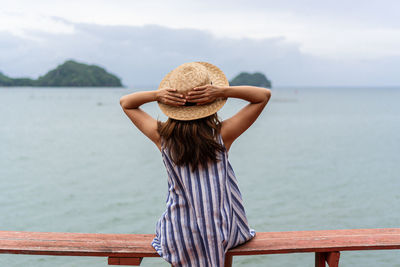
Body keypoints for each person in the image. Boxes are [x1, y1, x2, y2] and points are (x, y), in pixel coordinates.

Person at [120, 62, 271, 267]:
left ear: (171, 104)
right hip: (220, 230)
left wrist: (157, 95)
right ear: (210, 103)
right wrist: (222, 91)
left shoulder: (162, 137)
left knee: (183, 244)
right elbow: (263, 96)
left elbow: (126, 102)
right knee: (220, 243)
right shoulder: (221, 136)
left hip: (179, 232)